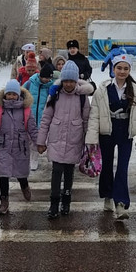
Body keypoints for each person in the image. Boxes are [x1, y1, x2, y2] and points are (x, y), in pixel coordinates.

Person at [86, 53, 136, 220]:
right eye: (119, 68)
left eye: (125, 68)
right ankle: (107, 195)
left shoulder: (135, 90)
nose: (122, 71)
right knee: (106, 165)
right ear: (113, 69)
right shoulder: (103, 89)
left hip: (125, 131)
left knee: (122, 167)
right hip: (107, 131)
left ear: (129, 70)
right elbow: (95, 115)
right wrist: (92, 138)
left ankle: (121, 203)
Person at [37, 60, 93, 218]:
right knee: (56, 171)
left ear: (76, 81)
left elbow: (86, 120)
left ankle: (66, 201)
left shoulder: (82, 98)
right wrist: (41, 141)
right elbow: (46, 118)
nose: (68, 84)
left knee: (69, 172)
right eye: (66, 81)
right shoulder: (55, 95)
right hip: (56, 139)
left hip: (74, 140)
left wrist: (88, 142)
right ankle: (54, 203)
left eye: (71, 81)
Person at [0, 79, 38, 215]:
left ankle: (24, 186)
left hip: (20, 148)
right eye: (9, 94)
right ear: (5, 95)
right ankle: (4, 200)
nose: (11, 96)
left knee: (20, 174)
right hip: (3, 148)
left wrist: (39, 143)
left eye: (14, 94)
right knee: (3, 175)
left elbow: (32, 129)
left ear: (18, 95)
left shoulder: (26, 111)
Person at [23, 62, 54, 170]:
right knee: (28, 139)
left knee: (37, 139)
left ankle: (34, 159)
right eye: (45, 77)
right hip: (29, 117)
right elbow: (22, 95)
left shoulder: (50, 87)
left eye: (49, 78)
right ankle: (26, 157)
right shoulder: (29, 83)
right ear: (40, 76)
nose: (47, 80)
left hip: (42, 117)